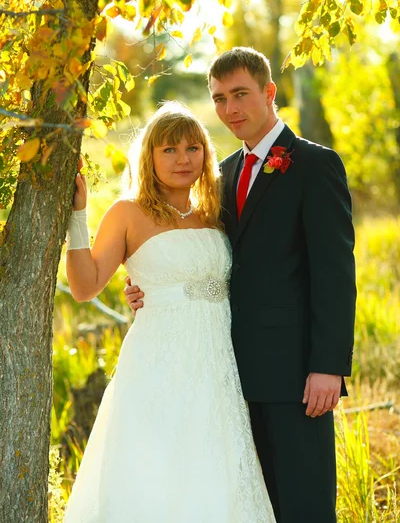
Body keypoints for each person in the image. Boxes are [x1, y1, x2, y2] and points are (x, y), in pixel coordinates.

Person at [125, 47, 357, 523]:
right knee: (252, 505)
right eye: (219, 98)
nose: (230, 109)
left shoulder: (315, 165)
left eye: (240, 94)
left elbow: (335, 274)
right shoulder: (220, 174)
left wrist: (328, 366)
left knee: (305, 504)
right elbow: (206, 258)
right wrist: (152, 285)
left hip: (297, 377)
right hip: (226, 375)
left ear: (269, 93)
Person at [63, 101, 276, 523]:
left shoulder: (215, 216)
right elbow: (86, 287)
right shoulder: (128, 212)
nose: (183, 159)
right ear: (150, 156)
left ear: (205, 154)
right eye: (169, 150)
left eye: (192, 148)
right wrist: (77, 215)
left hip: (217, 368)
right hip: (157, 367)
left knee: (214, 470)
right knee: (154, 473)